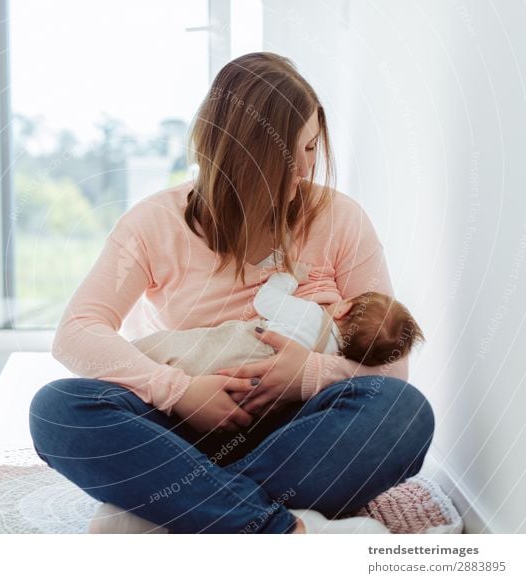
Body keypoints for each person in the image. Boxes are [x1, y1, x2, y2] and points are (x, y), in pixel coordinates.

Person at [29, 52, 435, 534]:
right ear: (244, 156)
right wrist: (181, 392)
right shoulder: (153, 223)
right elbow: (75, 333)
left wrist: (306, 375)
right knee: (59, 410)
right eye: (293, 154)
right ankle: (269, 530)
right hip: (178, 433)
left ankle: (175, 511)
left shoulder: (340, 219)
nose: (306, 170)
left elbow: (393, 368)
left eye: (311, 149)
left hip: (298, 430)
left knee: (401, 413)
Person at [130, 269, 425, 378]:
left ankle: (128, 355)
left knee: (169, 347)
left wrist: (287, 277)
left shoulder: (311, 314)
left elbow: (265, 301)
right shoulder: (331, 360)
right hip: (243, 386)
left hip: (238, 347)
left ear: (342, 309)